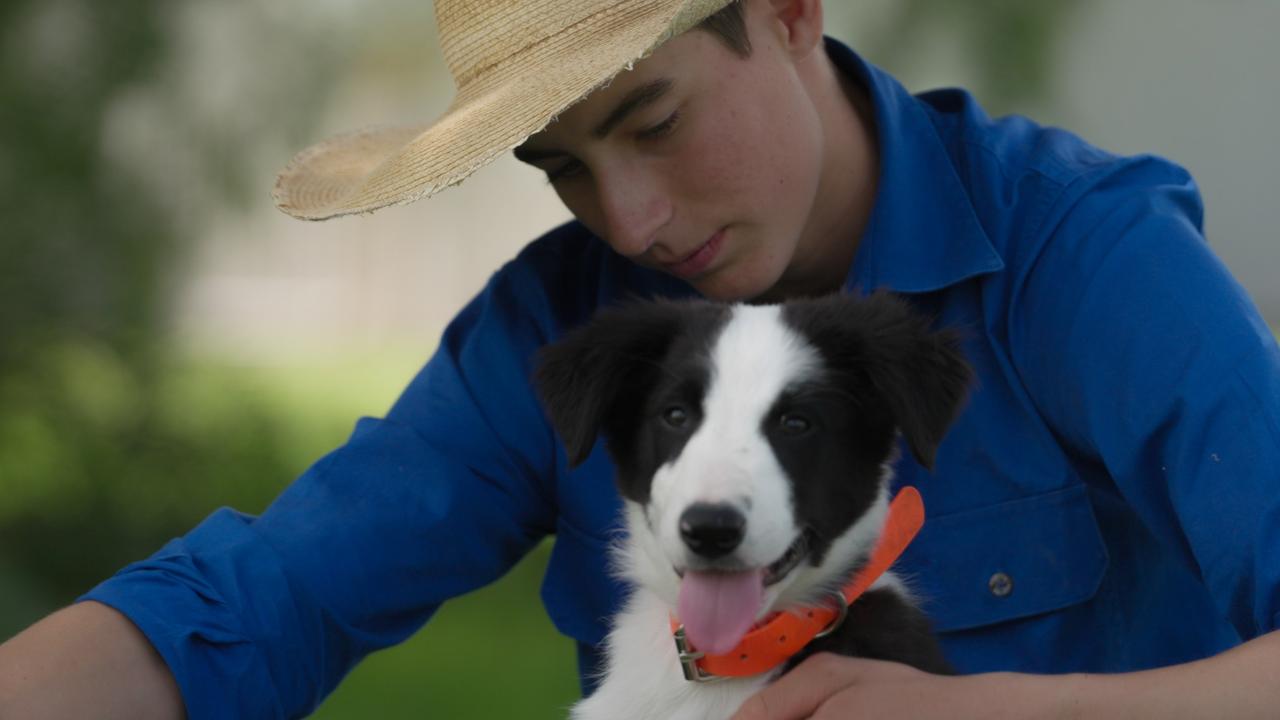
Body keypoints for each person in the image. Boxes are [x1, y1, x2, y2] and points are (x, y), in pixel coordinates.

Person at [3, 0, 1279, 718]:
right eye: (560, 168)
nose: (629, 222)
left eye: (652, 123)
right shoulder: (563, 326)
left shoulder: (1080, 255)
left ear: (786, 13)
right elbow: (254, 604)